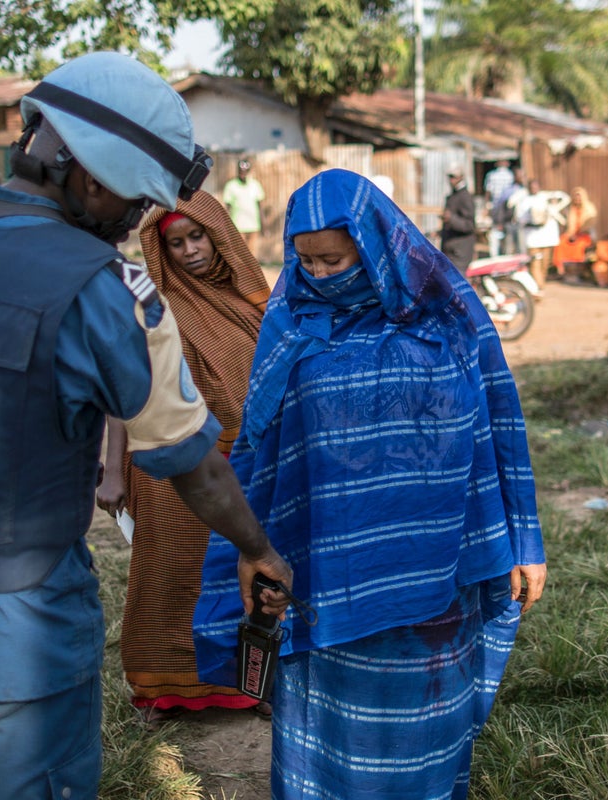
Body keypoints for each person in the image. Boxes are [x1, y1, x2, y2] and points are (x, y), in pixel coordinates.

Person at [0, 51, 292, 800]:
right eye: (138, 205)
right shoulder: (107, 293)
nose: (136, 224)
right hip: (9, 629)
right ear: (93, 180)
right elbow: (193, 464)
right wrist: (256, 549)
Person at [193, 169, 547, 800]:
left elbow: (502, 422)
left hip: (438, 578)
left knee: (425, 740)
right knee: (331, 744)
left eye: (335, 258)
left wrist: (525, 538)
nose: (321, 275)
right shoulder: (289, 325)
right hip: (325, 577)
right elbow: (258, 453)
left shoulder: (452, 314)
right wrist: (246, 555)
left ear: (377, 243)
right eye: (306, 261)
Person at [96, 189, 272, 726]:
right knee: (168, 573)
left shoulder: (255, 304)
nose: (191, 250)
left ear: (221, 237)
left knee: (248, 575)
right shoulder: (150, 305)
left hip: (246, 465)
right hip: (168, 466)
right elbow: (123, 391)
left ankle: (251, 685)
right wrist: (110, 468)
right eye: (176, 242)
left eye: (199, 236)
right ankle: (159, 687)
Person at [516, 178, 569, 288]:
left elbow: (563, 197)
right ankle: (538, 286)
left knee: (545, 263)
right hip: (532, 238)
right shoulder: (524, 201)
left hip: (547, 237)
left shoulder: (546, 198)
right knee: (535, 262)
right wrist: (533, 221)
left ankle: (540, 282)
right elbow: (520, 219)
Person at [221, 158, 265, 257]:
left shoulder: (255, 185)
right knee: (239, 254)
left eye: (245, 171)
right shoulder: (231, 186)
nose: (242, 174)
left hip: (254, 226)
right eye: (241, 171)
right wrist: (226, 226)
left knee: (252, 255)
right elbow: (227, 209)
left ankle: (251, 273)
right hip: (238, 226)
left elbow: (260, 207)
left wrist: (263, 225)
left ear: (249, 171)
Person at [553, 186, 598, 279]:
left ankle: (579, 268)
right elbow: (569, 226)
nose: (577, 199)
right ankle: (561, 269)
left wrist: (579, 234)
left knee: (579, 245)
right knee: (561, 243)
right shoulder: (570, 209)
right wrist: (571, 234)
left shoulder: (589, 209)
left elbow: (589, 226)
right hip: (572, 234)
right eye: (575, 197)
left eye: (579, 197)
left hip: (584, 235)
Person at [440, 164, 476, 273]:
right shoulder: (453, 196)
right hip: (451, 249)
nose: (451, 180)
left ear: (461, 177)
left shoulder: (465, 197)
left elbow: (469, 225)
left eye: (453, 176)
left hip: (460, 251)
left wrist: (451, 219)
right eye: (449, 177)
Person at [497, 167, 527, 255]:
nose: (521, 177)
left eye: (522, 175)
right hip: (509, 222)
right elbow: (502, 206)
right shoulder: (508, 190)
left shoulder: (525, 190)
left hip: (522, 223)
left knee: (521, 247)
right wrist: (500, 222)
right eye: (519, 176)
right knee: (508, 248)